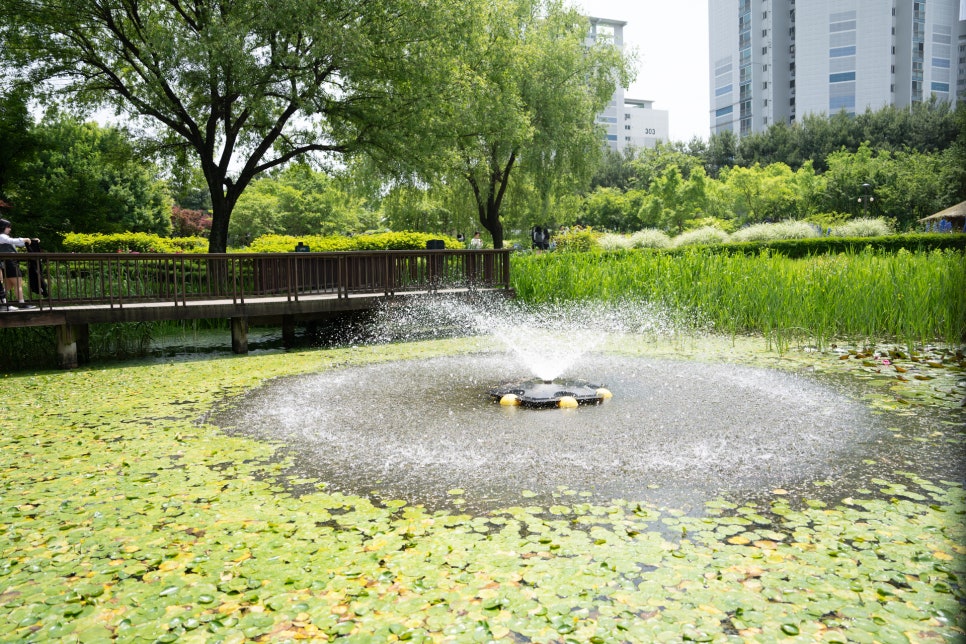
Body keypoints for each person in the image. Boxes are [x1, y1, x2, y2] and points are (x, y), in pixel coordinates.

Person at [0, 218, 38, 309]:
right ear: (3, 227)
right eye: (8, 227)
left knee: (8, 285)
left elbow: (18, 243)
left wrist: (32, 241)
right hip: (10, 262)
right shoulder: (1, 236)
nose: (10, 229)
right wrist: (24, 239)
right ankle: (22, 303)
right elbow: (13, 241)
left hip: (7, 262)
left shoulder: (4, 237)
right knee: (18, 283)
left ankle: (3, 304)